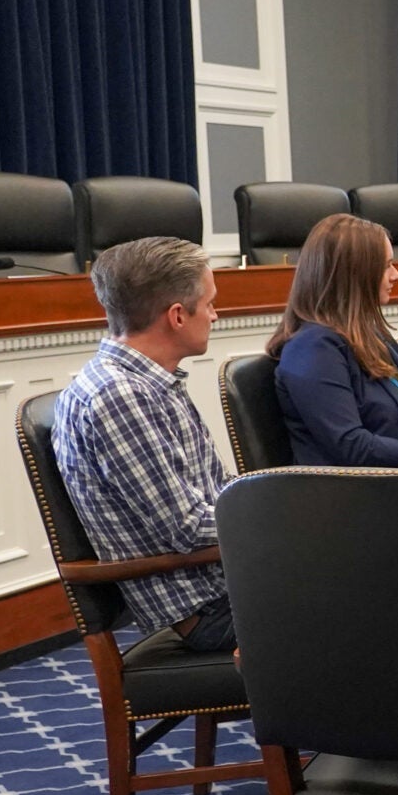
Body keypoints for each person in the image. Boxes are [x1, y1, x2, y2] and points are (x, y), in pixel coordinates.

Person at [49, 236, 235, 652]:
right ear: (177, 316)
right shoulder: (120, 396)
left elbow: (216, 490)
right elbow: (185, 528)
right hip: (210, 609)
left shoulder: (151, 381)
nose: (216, 315)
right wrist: (281, 523)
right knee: (377, 601)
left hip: (230, 584)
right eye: (208, 304)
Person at [266, 214, 398, 468]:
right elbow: (350, 446)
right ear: (354, 274)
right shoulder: (313, 348)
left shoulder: (373, 335)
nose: (397, 275)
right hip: (355, 498)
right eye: (386, 266)